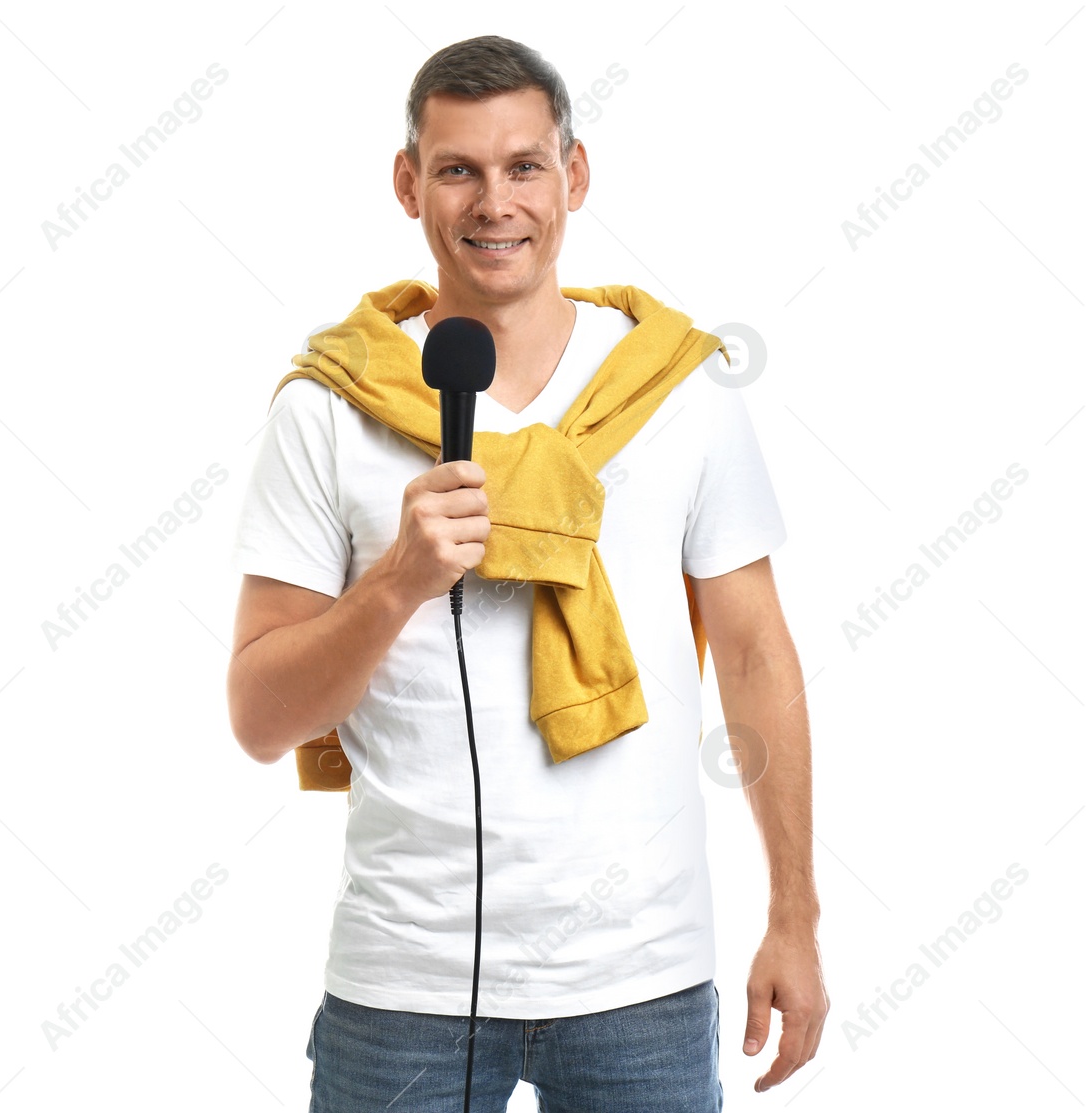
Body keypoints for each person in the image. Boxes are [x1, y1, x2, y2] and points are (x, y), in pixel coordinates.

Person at [227, 34, 826, 1110]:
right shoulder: (328, 408)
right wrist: (397, 583)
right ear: (409, 184)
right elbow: (262, 717)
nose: (493, 202)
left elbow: (753, 652)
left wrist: (794, 913)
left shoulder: (676, 391)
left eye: (523, 166)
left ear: (574, 176)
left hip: (642, 980)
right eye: (457, 169)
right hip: (401, 986)